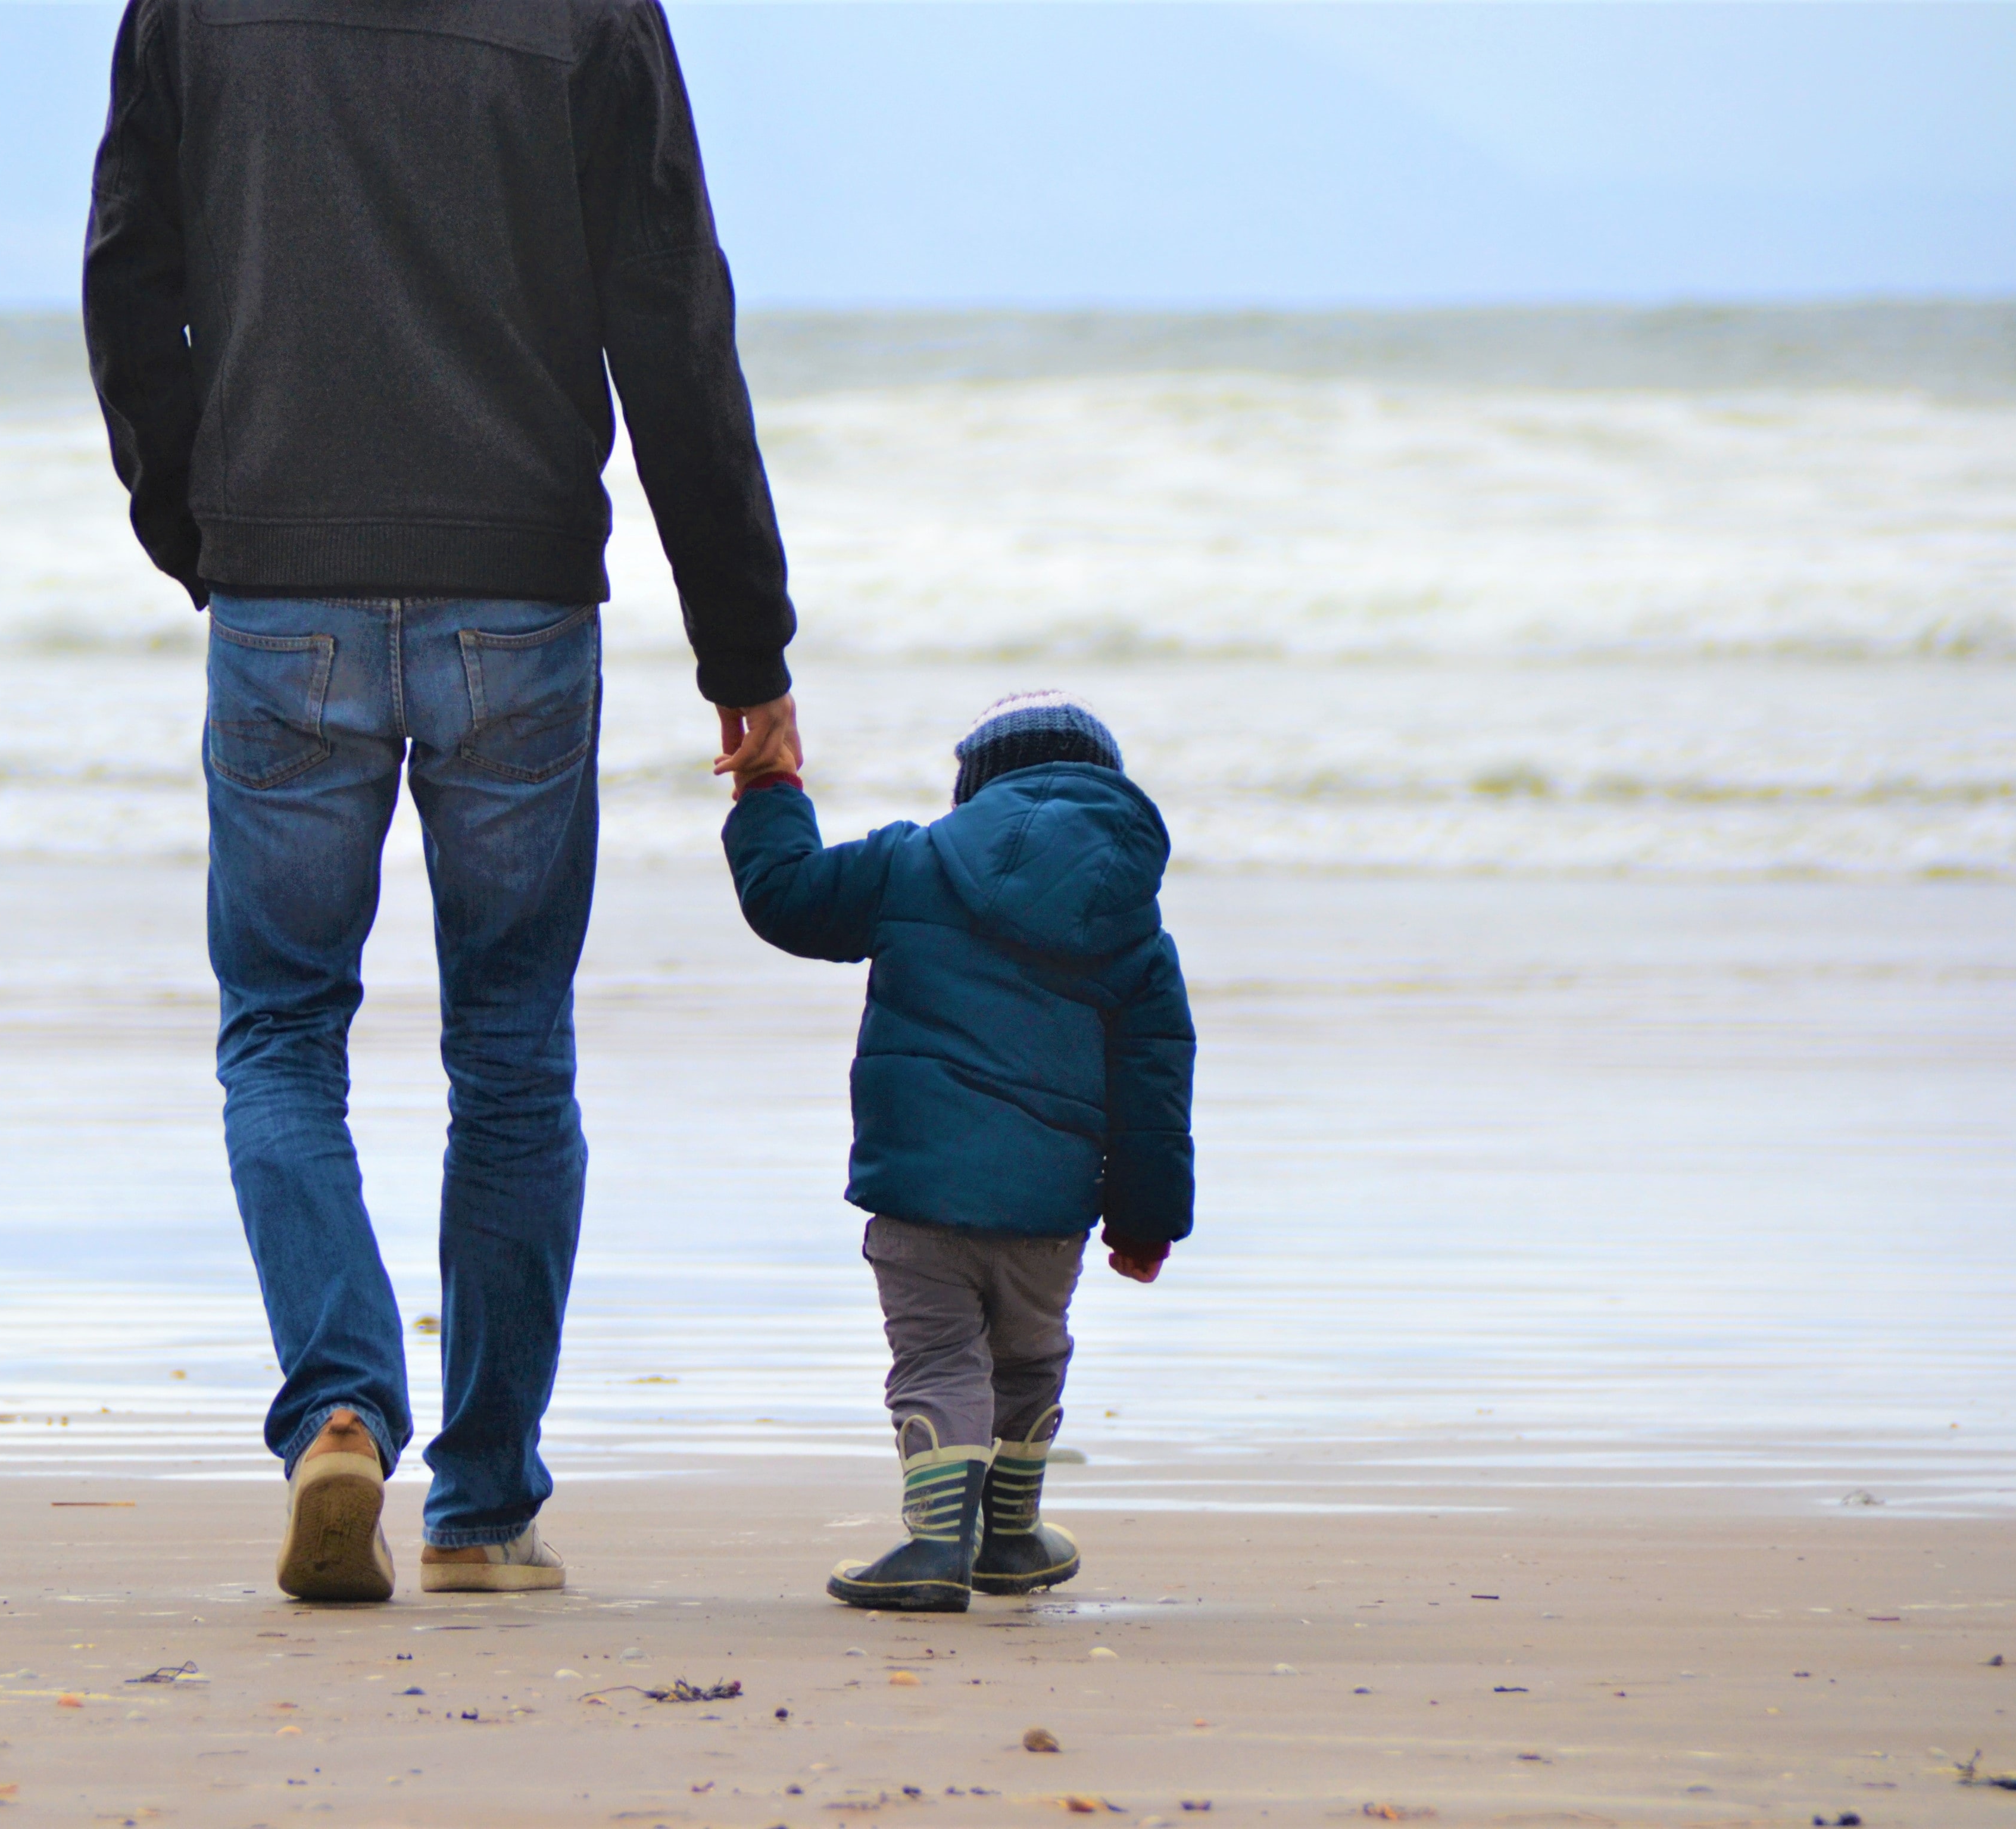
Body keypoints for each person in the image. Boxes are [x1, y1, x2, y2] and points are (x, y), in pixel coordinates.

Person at [82, 0, 800, 1602]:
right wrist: (744, 640)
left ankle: (339, 1405)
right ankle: (481, 1509)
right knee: (514, 1055)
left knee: (281, 1034)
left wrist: (205, 528)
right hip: (518, 600)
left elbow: (132, 279)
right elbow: (671, 318)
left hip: (284, 591)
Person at [720, 691, 1194, 1612]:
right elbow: (1154, 1089)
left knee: (938, 1358)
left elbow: (785, 896)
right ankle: (1010, 1539)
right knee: (1027, 1357)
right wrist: (1144, 1222)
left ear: (974, 787)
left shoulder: (913, 864)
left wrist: (771, 784)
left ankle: (937, 1542)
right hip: (1048, 1210)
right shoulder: (1130, 922)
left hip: (920, 1193)